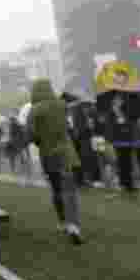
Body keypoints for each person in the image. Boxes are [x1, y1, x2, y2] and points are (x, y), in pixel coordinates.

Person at [31, 80, 83, 244]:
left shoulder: (34, 110)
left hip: (48, 154)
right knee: (70, 190)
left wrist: (39, 140)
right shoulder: (62, 105)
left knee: (56, 189)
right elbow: (71, 126)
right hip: (67, 153)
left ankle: (63, 221)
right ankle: (74, 226)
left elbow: (30, 133)